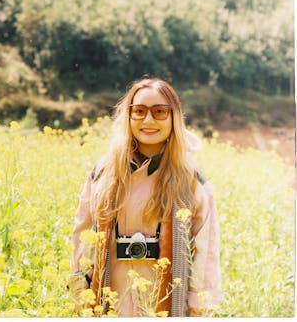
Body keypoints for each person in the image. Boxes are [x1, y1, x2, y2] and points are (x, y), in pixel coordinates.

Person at [68, 77, 222, 317]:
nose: (148, 120)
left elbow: (206, 249)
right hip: (110, 303)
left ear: (174, 118)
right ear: (128, 117)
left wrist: (198, 306)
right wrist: (80, 291)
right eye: (139, 111)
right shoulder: (103, 173)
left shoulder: (191, 180)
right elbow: (83, 234)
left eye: (160, 112)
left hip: (165, 307)